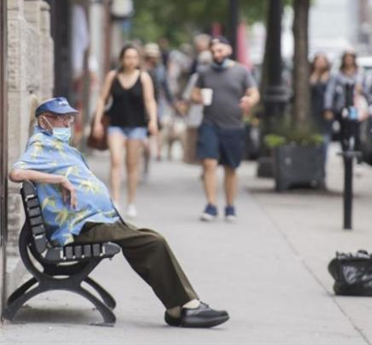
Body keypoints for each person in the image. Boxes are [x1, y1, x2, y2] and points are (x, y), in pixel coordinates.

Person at [9, 97, 230, 328]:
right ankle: (188, 306)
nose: (67, 123)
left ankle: (178, 307)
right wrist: (60, 179)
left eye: (69, 118)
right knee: (153, 242)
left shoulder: (57, 145)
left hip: (95, 221)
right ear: (44, 121)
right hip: (81, 229)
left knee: (145, 242)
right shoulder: (40, 145)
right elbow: (16, 173)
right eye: (61, 118)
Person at [191, 36, 259, 222]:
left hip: (233, 125)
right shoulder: (204, 71)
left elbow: (254, 92)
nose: (216, 54)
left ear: (228, 50)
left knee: (231, 167)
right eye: (213, 51)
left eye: (220, 50)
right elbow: (194, 93)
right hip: (210, 124)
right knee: (209, 164)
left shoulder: (241, 71)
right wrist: (198, 98)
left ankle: (230, 206)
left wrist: (249, 101)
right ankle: (211, 205)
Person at [92, 44, 157, 219]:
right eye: (128, 57)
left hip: (137, 126)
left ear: (138, 60)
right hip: (116, 125)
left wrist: (153, 120)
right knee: (115, 160)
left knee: (132, 165)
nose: (131, 61)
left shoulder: (143, 78)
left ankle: (131, 202)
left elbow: (150, 101)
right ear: (122, 59)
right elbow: (102, 99)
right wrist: (97, 122)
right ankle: (115, 200)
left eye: (134, 58)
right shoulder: (113, 76)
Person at [309, 53, 332, 162]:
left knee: (324, 139)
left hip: (324, 112)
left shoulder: (329, 77)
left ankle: (322, 166)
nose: (320, 63)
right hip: (313, 112)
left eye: (322, 61)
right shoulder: (310, 75)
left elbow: (325, 94)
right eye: (318, 60)